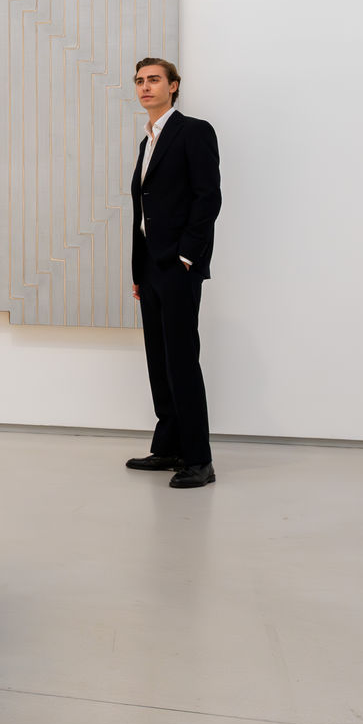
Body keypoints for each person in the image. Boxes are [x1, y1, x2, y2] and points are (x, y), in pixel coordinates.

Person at [126, 58, 221, 488]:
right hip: (150, 267)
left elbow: (208, 198)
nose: (145, 87)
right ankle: (168, 447)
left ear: (174, 86)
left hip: (178, 266)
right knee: (158, 361)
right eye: (139, 81)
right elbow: (143, 209)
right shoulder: (146, 142)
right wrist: (138, 269)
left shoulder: (193, 131)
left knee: (181, 361)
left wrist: (187, 256)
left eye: (154, 80)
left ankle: (199, 460)